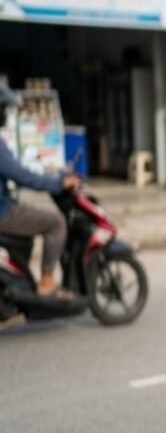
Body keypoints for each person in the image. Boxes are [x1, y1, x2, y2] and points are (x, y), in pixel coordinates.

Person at [0, 84, 81, 315]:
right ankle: (46, 282)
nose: (6, 114)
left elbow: (16, 171)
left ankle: (25, 279)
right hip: (3, 212)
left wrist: (49, 174)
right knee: (55, 221)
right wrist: (58, 184)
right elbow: (22, 176)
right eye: (3, 109)